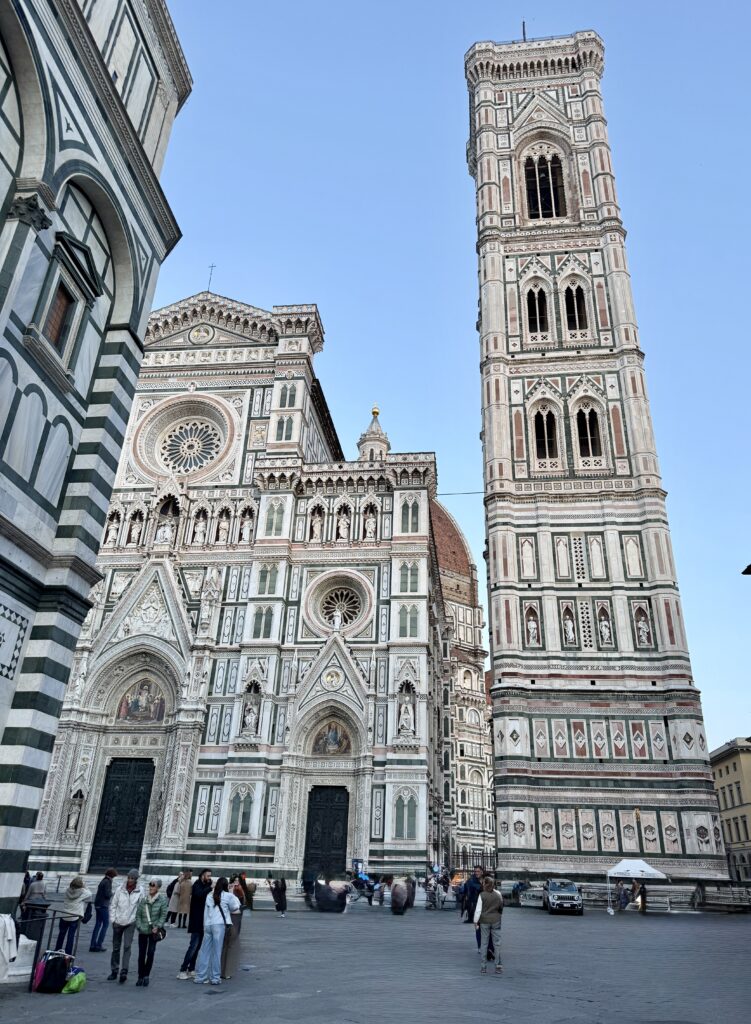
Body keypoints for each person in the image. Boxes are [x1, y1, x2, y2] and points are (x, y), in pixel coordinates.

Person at [194, 877, 240, 986]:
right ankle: (215, 977)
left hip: (208, 924)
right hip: (219, 925)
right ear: (226, 885)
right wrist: (232, 891)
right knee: (217, 952)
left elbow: (206, 911)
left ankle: (201, 976)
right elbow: (235, 908)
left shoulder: (209, 895)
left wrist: (205, 925)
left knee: (205, 951)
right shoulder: (227, 896)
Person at [177, 869, 212, 980]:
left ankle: (191, 969)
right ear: (202, 875)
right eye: (208, 876)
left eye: (210, 876)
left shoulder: (204, 885)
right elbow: (199, 894)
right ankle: (182, 970)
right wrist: (210, 888)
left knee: (197, 947)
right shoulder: (197, 885)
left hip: (202, 921)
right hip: (196, 921)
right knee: (193, 946)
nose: (209, 878)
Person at [109, 869, 143, 983]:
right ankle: (114, 970)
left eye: (132, 878)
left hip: (130, 922)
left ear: (136, 879)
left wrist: (137, 921)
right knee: (116, 947)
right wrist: (113, 920)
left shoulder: (140, 891)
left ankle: (124, 970)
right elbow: (113, 904)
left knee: (127, 946)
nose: (129, 880)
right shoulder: (120, 889)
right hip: (118, 921)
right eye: (128, 877)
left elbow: (141, 907)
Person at [134, 878, 168, 987]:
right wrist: (139, 926)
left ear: (158, 887)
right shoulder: (144, 900)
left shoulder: (162, 900)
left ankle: (146, 975)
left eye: (153, 885)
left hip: (154, 932)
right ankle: (140, 976)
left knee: (151, 953)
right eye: (150, 885)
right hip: (143, 930)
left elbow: (163, 915)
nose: (151, 887)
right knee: (141, 954)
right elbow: (138, 914)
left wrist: (158, 926)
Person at [474, 876, 503, 975]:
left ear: (485, 884)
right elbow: (501, 907)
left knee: (484, 943)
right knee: (497, 944)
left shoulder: (482, 895)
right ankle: (498, 967)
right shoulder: (498, 894)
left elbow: (478, 910)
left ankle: (483, 967)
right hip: (496, 920)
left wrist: (475, 921)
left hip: (484, 921)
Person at [55, 875, 91, 954]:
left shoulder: (67, 890)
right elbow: (90, 894)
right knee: (70, 936)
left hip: (64, 915)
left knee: (61, 934)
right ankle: (68, 953)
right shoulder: (83, 892)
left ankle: (57, 950)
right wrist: (85, 886)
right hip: (75, 917)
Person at [220, 877, 245, 980]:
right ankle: (226, 972)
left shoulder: (219, 895)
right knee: (230, 947)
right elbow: (235, 909)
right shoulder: (229, 896)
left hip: (225, 923)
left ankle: (221, 970)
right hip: (232, 923)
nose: (234, 885)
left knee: (224, 947)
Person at [90, 868, 117, 951]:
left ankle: (92, 945)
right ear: (112, 875)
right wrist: (113, 893)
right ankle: (98, 945)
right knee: (105, 924)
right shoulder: (108, 882)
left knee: (98, 924)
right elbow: (107, 894)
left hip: (98, 904)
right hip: (103, 905)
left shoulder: (103, 880)